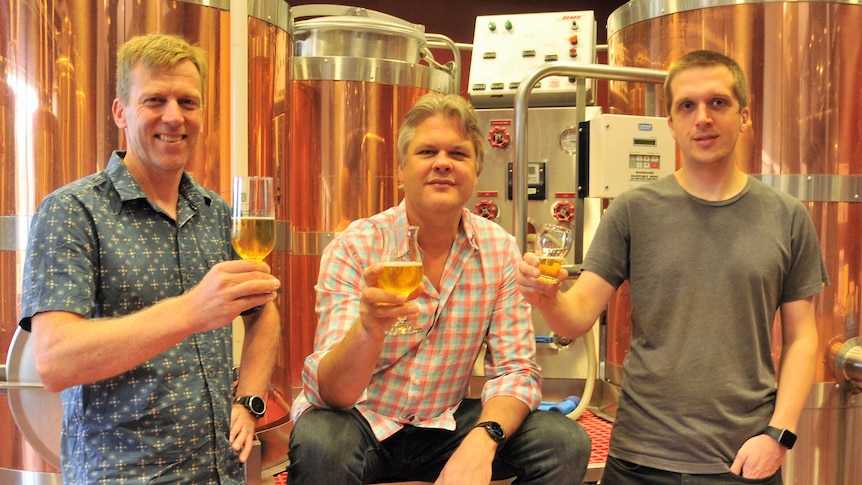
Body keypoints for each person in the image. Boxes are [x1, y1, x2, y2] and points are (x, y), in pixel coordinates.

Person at [518, 50, 829, 484]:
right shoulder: (632, 211)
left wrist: (779, 434)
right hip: (639, 459)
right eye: (687, 105)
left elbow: (802, 339)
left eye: (718, 102)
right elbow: (576, 319)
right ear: (671, 123)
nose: (702, 117)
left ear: (743, 116)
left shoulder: (787, 216)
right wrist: (548, 298)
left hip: (742, 459)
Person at [287, 93, 591, 485]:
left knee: (563, 442)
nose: (443, 163)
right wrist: (368, 329)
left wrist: (483, 441)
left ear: (477, 171)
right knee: (320, 439)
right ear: (400, 169)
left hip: (442, 424)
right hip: (361, 423)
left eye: (458, 154)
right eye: (427, 151)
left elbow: (515, 371)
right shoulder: (356, 246)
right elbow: (333, 394)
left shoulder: (498, 249)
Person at [18, 33, 281, 484]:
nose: (174, 116)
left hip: (220, 472)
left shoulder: (218, 214)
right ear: (121, 112)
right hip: (122, 475)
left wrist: (249, 400)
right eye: (154, 100)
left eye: (188, 102)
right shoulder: (73, 211)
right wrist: (191, 311)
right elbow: (55, 361)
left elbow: (264, 311)